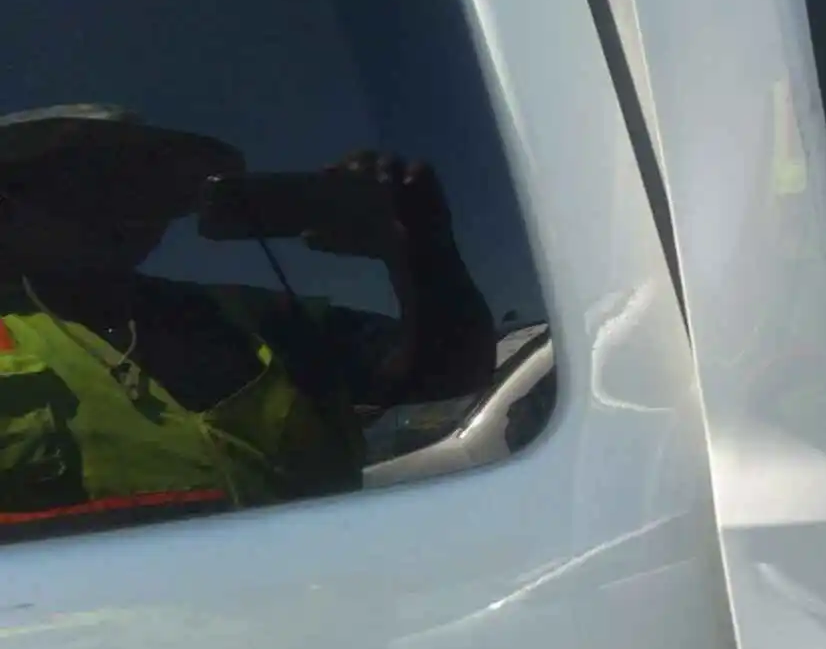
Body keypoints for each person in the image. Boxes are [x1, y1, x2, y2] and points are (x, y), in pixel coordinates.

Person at [0, 104, 497, 537]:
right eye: (74, 180)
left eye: (136, 183)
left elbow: (448, 372)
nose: (115, 205)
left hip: (337, 618)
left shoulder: (255, 318)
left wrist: (420, 250)